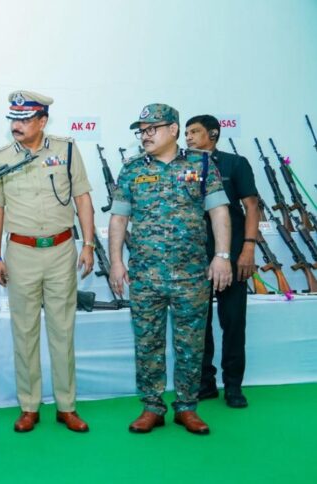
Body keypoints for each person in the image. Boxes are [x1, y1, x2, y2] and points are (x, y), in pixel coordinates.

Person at [108, 103, 233, 435]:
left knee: (191, 344)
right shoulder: (132, 169)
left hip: (191, 274)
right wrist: (117, 262)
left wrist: (221, 255)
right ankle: (152, 407)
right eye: (142, 130)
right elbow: (119, 218)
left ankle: (187, 407)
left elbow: (219, 211)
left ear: (174, 130)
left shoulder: (202, 164)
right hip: (146, 275)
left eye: (153, 129)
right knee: (147, 344)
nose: (145, 135)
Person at [0, 90, 95, 434]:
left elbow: (82, 197)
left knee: (63, 331)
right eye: (13, 120)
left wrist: (89, 244)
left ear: (42, 121)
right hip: (20, 252)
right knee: (24, 331)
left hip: (62, 249)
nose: (16, 125)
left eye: (24, 119)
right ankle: (29, 406)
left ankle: (67, 406)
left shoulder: (65, 149)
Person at [186, 114, 259, 408]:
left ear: (213, 134)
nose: (188, 137)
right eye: (186, 132)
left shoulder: (234, 164)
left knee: (233, 323)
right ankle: (205, 383)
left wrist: (248, 249)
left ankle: (233, 386)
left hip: (232, 255)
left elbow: (252, 206)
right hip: (195, 257)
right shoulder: (184, 166)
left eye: (195, 132)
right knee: (197, 325)